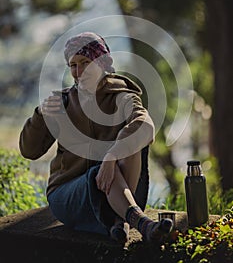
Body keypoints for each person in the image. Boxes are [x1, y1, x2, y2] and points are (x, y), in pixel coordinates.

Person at [19, 31, 173, 245]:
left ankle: (118, 222)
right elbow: (29, 151)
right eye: (73, 65)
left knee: (133, 146)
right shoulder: (60, 103)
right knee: (95, 175)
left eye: (85, 63)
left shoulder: (123, 96)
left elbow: (145, 126)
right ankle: (142, 224)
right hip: (67, 196)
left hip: (117, 191)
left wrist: (112, 155)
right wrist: (40, 115)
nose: (79, 71)